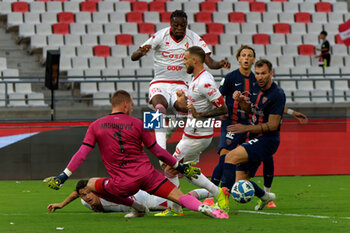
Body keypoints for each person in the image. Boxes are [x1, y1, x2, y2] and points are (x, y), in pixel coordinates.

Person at [44, 90, 228, 219]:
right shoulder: (137, 123)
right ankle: (204, 208)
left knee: (91, 184)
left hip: (122, 182)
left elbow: (82, 153)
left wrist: (63, 176)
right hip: (148, 175)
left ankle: (138, 208)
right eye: (131, 105)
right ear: (125, 104)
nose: (132, 108)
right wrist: (180, 167)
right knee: (178, 196)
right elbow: (157, 150)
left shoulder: (96, 125)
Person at [204, 45, 308, 207]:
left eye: (249, 55)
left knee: (240, 159)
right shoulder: (232, 77)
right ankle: (262, 197)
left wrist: (291, 111)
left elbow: (269, 107)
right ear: (238, 58)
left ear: (253, 60)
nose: (246, 58)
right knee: (230, 165)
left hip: (249, 128)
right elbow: (224, 98)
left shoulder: (258, 83)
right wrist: (224, 109)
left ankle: (224, 200)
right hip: (232, 124)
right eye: (243, 55)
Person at [131, 10, 230, 151]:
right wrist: (141, 52)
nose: (179, 28)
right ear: (171, 24)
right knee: (160, 107)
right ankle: (161, 150)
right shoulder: (161, 35)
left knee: (183, 111)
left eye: (182, 25)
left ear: (186, 24)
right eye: (176, 25)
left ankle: (172, 130)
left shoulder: (193, 38)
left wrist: (219, 64)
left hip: (182, 84)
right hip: (160, 82)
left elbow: (209, 62)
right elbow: (133, 57)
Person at [155, 46, 229, 216]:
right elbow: (196, 103)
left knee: (169, 168)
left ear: (194, 60)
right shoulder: (195, 79)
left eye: (185, 59)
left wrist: (199, 114)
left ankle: (175, 208)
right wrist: (183, 98)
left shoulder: (205, 81)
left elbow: (223, 109)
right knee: (185, 170)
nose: (183, 62)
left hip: (197, 136)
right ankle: (218, 193)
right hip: (192, 134)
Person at [221, 59, 286, 211]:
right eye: (257, 73)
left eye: (263, 73)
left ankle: (221, 203)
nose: (260, 77)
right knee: (241, 182)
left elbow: (273, 125)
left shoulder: (277, 94)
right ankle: (266, 197)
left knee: (230, 157)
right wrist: (241, 101)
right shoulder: (255, 87)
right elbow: (249, 110)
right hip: (255, 137)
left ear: (271, 73)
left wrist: (246, 128)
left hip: (268, 140)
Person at [48, 179, 169, 214]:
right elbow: (76, 193)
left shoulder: (104, 191)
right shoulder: (85, 202)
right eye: (84, 195)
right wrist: (61, 205)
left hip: (142, 199)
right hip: (132, 207)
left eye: (89, 192)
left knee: (177, 203)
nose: (87, 197)